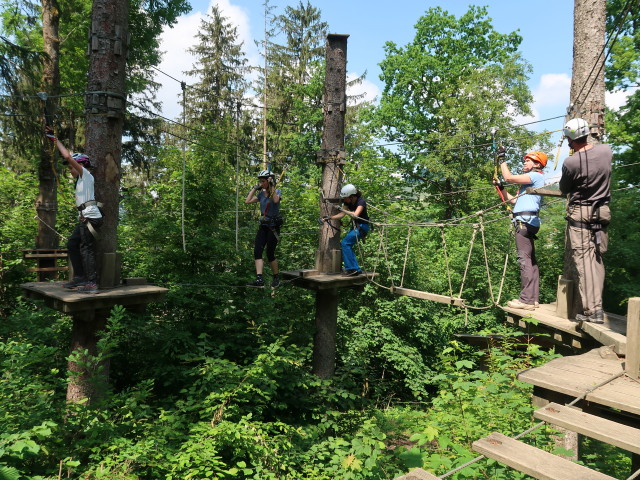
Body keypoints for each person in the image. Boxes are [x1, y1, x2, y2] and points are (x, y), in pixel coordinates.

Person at [559, 118, 612, 324]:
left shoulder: (571, 162)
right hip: (602, 213)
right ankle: (597, 306)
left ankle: (593, 311)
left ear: (571, 139)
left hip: (581, 214)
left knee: (584, 262)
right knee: (597, 260)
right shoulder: (606, 151)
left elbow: (565, 189)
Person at [46, 127, 103, 293]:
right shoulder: (81, 181)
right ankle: (80, 277)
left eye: (71, 168)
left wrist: (54, 140)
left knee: (87, 249)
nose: (70, 170)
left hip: (90, 218)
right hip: (86, 218)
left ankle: (92, 283)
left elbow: (67, 156)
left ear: (81, 165)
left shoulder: (85, 174)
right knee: (72, 244)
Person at [494, 148, 548, 310]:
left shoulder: (535, 176)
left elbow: (509, 177)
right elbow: (512, 201)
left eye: (528, 161)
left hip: (524, 222)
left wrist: (502, 160)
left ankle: (526, 300)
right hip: (529, 222)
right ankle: (534, 298)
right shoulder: (529, 184)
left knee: (524, 260)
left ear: (537, 164)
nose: (524, 162)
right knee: (531, 261)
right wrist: (501, 188)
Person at [245, 169, 282, 288]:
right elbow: (247, 201)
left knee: (270, 253)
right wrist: (255, 188)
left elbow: (276, 200)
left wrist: (271, 186)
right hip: (263, 227)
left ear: (269, 181)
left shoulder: (276, 192)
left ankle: (276, 277)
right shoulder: (261, 194)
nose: (261, 183)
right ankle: (259, 279)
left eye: (263, 181)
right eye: (260, 181)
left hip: (273, 227)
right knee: (257, 252)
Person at [324, 184, 370, 276]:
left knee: (345, 243)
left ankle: (352, 269)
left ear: (352, 197)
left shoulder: (361, 202)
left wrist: (343, 210)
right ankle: (356, 269)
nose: (344, 200)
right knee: (347, 244)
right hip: (356, 226)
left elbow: (355, 214)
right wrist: (330, 218)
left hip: (362, 226)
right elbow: (342, 214)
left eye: (345, 198)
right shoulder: (347, 202)